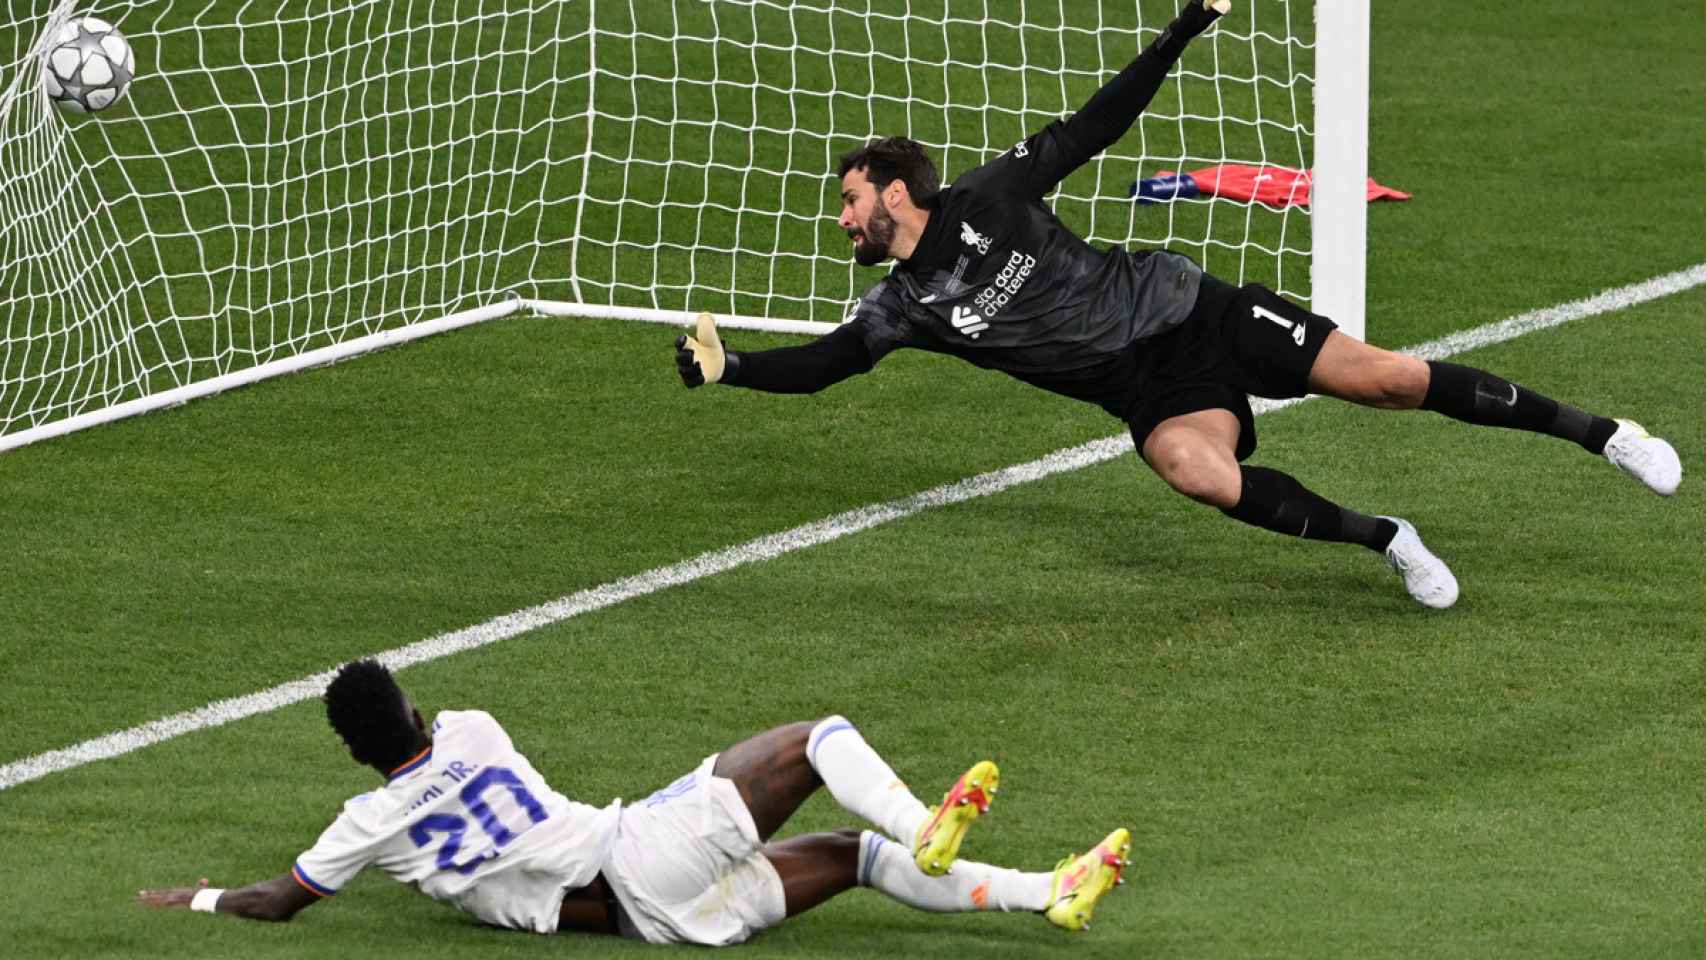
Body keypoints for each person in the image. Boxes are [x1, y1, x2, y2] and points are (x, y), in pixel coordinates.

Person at [674, 0, 1682, 610]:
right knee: (1196, 474)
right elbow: (829, 364)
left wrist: (1179, 31)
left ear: (894, 191)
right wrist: (734, 368)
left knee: (1384, 380)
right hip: (1144, 388)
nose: (840, 217)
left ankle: (1604, 435)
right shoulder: (901, 306)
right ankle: (1388, 540)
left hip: (1192, 309)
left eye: (847, 197)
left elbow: (1096, 125)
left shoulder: (989, 195)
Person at [136, 659, 1131, 943]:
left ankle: (1047, 892)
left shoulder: (363, 829)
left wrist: (202, 900)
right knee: (819, 741)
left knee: (848, 858)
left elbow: (282, 899)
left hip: (650, 923)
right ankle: (923, 822)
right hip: (641, 852)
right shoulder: (474, 728)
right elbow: (448, 758)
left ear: (358, 753)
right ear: (414, 708)